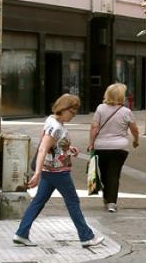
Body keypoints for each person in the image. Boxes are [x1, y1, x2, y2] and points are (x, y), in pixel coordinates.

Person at [13, 94, 105, 248]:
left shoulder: (52, 120)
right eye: (72, 112)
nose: (73, 116)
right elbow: (43, 148)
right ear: (64, 109)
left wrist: (68, 148)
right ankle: (86, 236)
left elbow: (53, 146)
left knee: (38, 202)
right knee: (73, 202)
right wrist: (37, 173)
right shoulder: (56, 127)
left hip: (50, 170)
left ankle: (21, 233)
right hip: (58, 172)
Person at [88, 83, 140, 212]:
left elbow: (94, 127)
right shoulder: (126, 112)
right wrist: (136, 140)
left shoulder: (100, 108)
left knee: (104, 173)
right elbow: (134, 129)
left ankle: (107, 198)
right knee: (114, 174)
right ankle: (111, 202)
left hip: (101, 147)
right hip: (119, 148)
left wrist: (91, 142)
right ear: (122, 96)